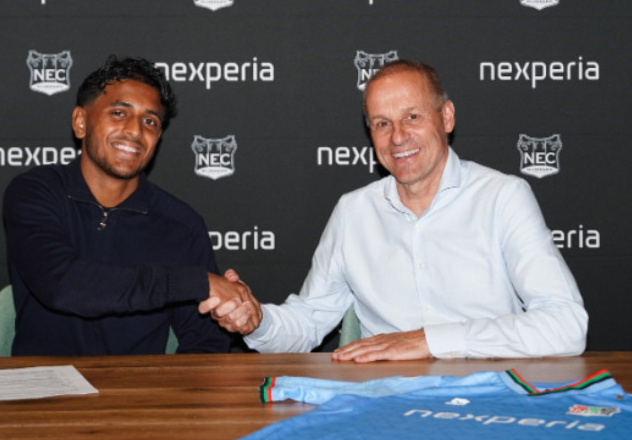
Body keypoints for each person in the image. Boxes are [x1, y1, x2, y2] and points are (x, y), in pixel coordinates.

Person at [201, 59, 588, 360]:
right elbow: (308, 323)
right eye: (382, 123)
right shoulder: (353, 211)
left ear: (447, 117)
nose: (398, 137)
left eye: (412, 117)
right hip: (386, 403)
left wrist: (429, 340)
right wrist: (257, 320)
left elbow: (566, 325)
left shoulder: (503, 197)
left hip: (489, 400)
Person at [4, 55, 258, 355]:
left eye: (150, 121)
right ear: (81, 122)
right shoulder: (37, 192)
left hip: (138, 384)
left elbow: (206, 344)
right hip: (41, 381)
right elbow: (62, 285)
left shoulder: (181, 224)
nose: (136, 131)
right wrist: (194, 281)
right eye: (119, 113)